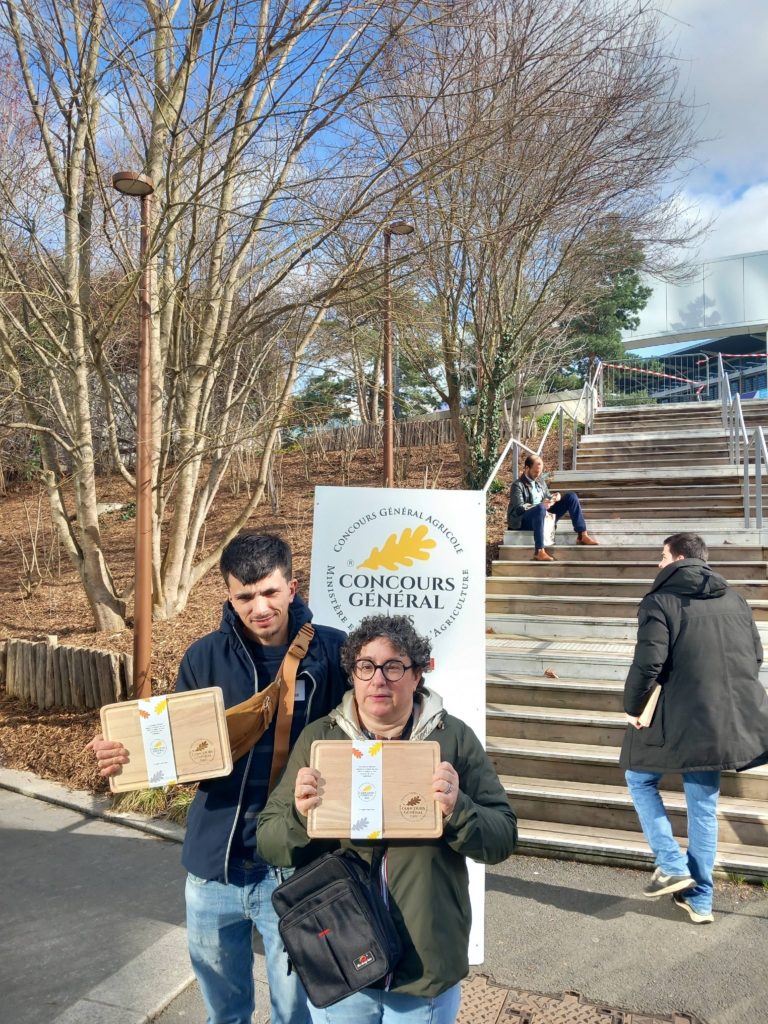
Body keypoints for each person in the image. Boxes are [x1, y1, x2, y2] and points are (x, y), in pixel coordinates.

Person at [89, 533, 348, 1024]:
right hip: (214, 866)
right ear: (229, 597)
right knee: (223, 1011)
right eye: (245, 596)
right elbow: (174, 752)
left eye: (270, 592)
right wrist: (124, 755)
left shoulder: (332, 653)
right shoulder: (204, 657)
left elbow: (372, 730)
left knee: (294, 1012)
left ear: (292, 587)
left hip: (294, 865)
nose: (260, 607)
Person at [257, 614, 518, 1024]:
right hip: (341, 962)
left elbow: (503, 837)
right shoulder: (321, 741)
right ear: (353, 677)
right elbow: (269, 842)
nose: (379, 679)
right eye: (366, 666)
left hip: (423, 972)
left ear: (417, 675)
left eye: (394, 666)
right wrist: (297, 813)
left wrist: (458, 808)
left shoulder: (453, 739)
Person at [621, 532, 768, 925]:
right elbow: (755, 655)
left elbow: (649, 664)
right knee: (703, 806)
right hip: (721, 719)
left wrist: (632, 706)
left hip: (677, 715)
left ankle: (671, 862)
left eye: (662, 555)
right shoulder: (735, 598)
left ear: (678, 558)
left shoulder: (660, 601)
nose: (658, 563)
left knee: (638, 776)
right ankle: (701, 900)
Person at [506, 454, 597, 561]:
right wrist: (539, 506)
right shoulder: (517, 485)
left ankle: (582, 535)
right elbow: (519, 508)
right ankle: (539, 551)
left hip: (543, 514)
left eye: (540, 472)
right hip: (523, 520)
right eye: (535, 471)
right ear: (527, 468)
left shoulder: (540, 482)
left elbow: (547, 497)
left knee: (571, 497)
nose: (538, 474)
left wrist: (555, 496)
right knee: (540, 508)